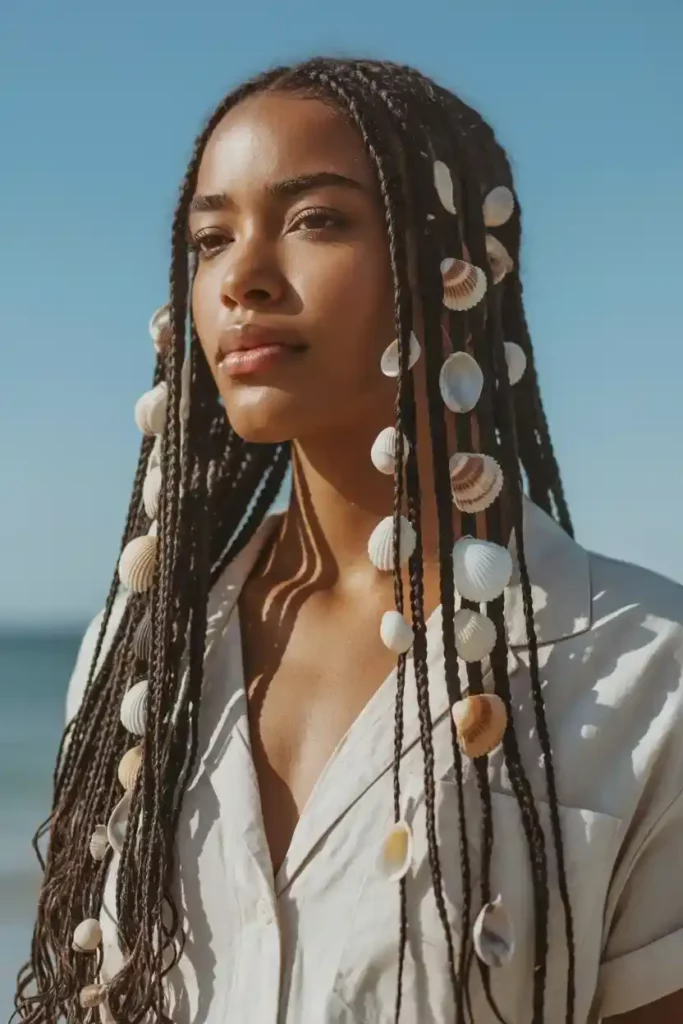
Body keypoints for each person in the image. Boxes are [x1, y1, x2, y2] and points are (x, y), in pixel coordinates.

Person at [13, 57, 683, 1024]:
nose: (241, 278)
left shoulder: (643, 674)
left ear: (448, 262)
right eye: (209, 238)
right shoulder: (136, 666)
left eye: (314, 220)